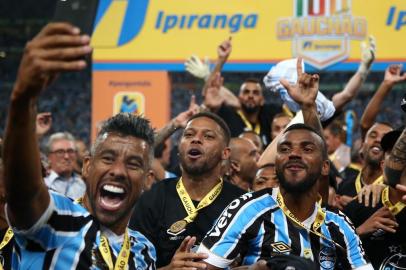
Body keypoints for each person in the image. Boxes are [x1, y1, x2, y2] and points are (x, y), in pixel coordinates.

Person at [3, 23, 156, 269]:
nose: (117, 170)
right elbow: (23, 193)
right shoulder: (57, 221)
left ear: (148, 180)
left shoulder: (144, 250)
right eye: (107, 158)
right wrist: (23, 99)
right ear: (86, 166)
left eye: (133, 163)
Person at [197, 58, 373, 270]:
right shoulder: (247, 209)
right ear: (275, 163)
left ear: (325, 167)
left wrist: (308, 106)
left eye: (306, 150)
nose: (294, 154)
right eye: (285, 149)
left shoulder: (340, 225)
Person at [129, 111, 245, 269]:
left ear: (225, 153)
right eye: (188, 134)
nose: (196, 139)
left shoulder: (242, 204)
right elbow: (132, 265)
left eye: (208, 136)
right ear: (179, 150)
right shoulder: (152, 198)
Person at [343, 129, 406, 268]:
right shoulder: (358, 206)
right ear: (383, 165)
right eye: (394, 153)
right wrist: (358, 232)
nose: (400, 159)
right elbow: (328, 256)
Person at [203, 39, 282, 146]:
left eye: (255, 93)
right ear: (239, 97)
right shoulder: (229, 116)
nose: (250, 95)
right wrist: (221, 60)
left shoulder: (269, 116)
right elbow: (211, 91)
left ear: (262, 100)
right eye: (246, 92)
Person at [44, 132, 86, 199]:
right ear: (49, 156)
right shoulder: (43, 182)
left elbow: (81, 204)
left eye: (70, 151)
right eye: (60, 152)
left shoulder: (83, 185)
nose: (66, 156)